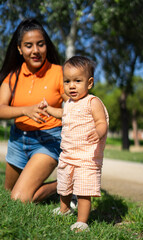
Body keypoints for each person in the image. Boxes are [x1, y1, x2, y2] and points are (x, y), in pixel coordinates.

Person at [0, 18, 69, 203]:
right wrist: (26, 110)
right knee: (8, 193)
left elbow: (75, 108)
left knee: (19, 198)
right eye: (29, 46)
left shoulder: (59, 73)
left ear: (46, 45)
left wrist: (56, 113)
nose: (36, 51)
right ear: (20, 49)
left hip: (48, 140)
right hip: (18, 140)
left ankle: (68, 181)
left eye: (40, 44)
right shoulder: (12, 76)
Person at [40, 56, 109, 232]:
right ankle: (64, 209)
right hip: (68, 155)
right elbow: (61, 113)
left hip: (86, 157)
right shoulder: (69, 103)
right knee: (64, 185)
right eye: (67, 81)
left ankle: (82, 221)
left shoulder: (92, 102)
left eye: (78, 81)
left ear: (90, 83)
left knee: (83, 190)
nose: (71, 85)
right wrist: (47, 109)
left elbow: (102, 122)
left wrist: (98, 132)